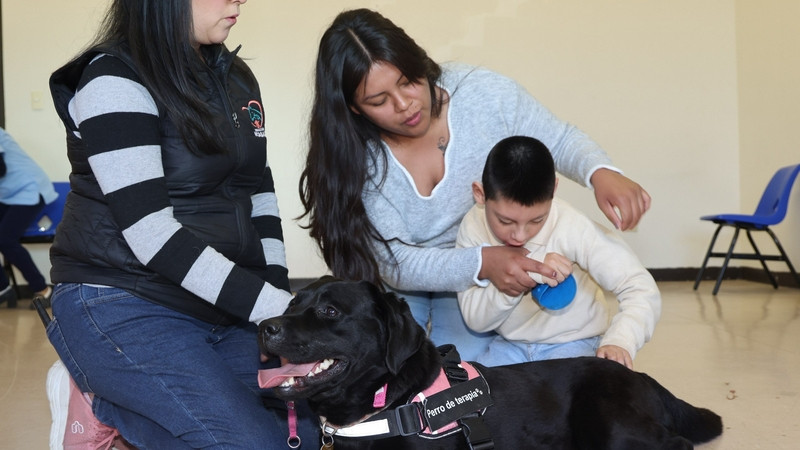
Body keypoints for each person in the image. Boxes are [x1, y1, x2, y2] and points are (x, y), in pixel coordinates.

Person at [298, 8, 652, 362]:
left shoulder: (482, 93)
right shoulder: (358, 158)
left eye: (408, 82)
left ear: (421, 63)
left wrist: (600, 172)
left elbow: (558, 140)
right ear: (354, 109)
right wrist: (482, 262)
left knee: (460, 369)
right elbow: (398, 263)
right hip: (422, 276)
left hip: (474, 277)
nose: (405, 105)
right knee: (391, 362)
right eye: (379, 101)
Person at [46, 0, 317, 448]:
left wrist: (276, 312)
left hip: (217, 303)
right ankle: (106, 401)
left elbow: (258, 193)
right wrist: (276, 307)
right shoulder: (113, 79)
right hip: (121, 299)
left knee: (308, 431)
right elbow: (152, 233)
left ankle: (126, 403)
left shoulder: (234, 77)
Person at [456, 135, 661, 368]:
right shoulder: (473, 226)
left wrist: (621, 341)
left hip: (575, 343)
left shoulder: (572, 226)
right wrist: (518, 278)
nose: (520, 236)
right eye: (505, 221)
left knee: (577, 400)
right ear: (480, 194)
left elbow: (639, 286)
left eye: (537, 220)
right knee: (472, 397)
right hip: (510, 347)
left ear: (553, 189)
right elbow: (476, 320)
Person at [0, 127, 57, 308]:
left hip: (28, 189)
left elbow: (0, 169)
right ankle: (3, 289)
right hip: (7, 194)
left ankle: (44, 290)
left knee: (5, 240)